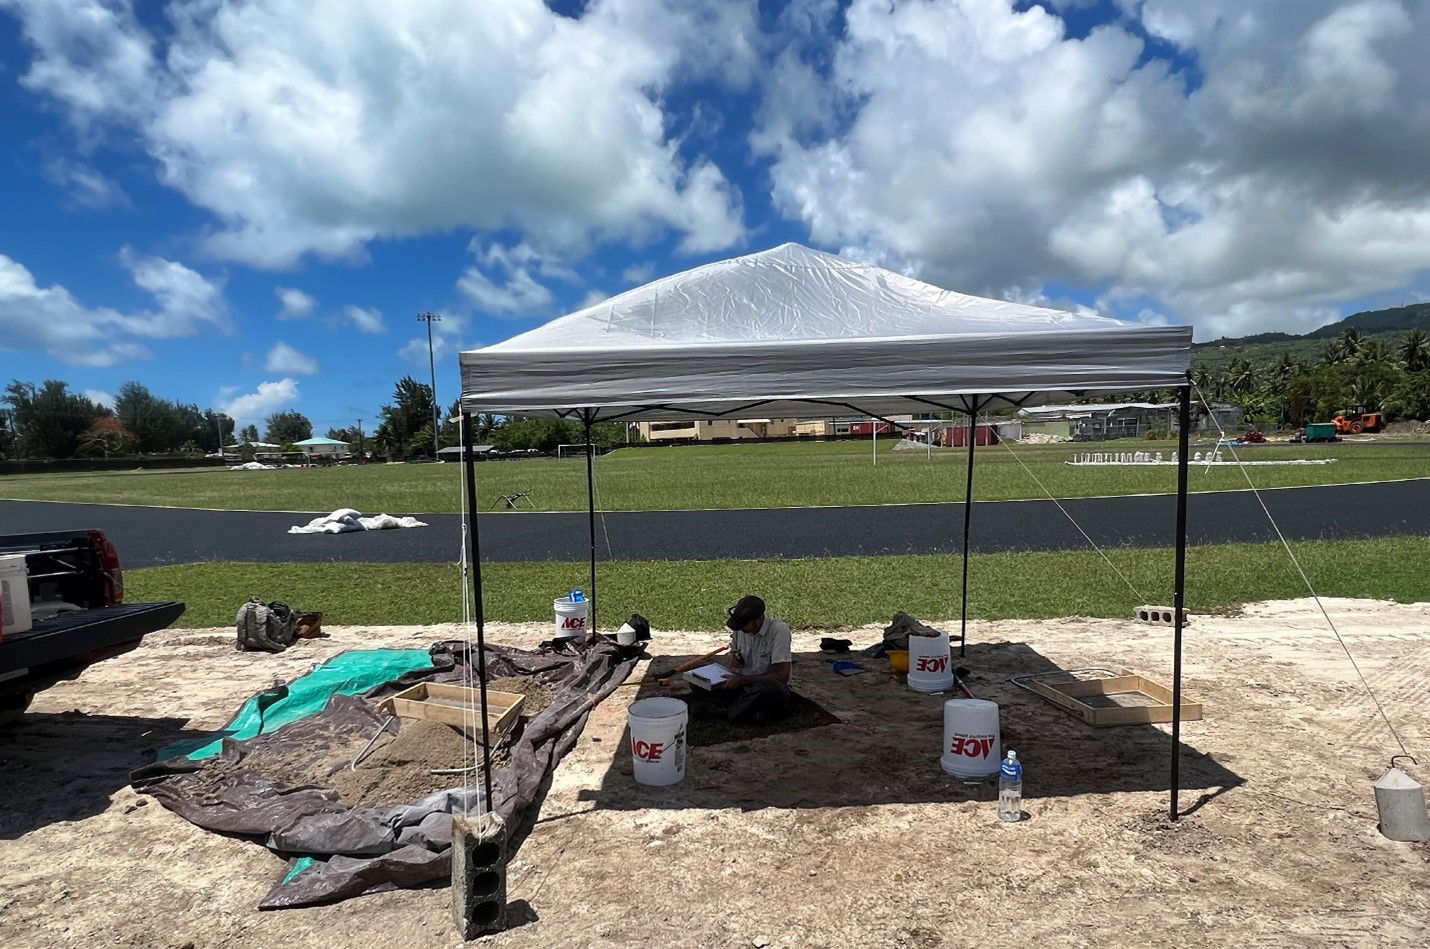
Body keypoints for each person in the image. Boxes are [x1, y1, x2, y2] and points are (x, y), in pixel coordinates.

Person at [700, 594, 794, 725]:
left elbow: (782, 676)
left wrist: (742, 680)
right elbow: (733, 650)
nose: (741, 630)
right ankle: (749, 709)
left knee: (767, 687)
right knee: (697, 680)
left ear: (758, 621)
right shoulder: (740, 629)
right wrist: (733, 657)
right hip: (743, 685)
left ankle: (729, 713)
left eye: (744, 626)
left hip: (769, 688)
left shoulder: (779, 631)